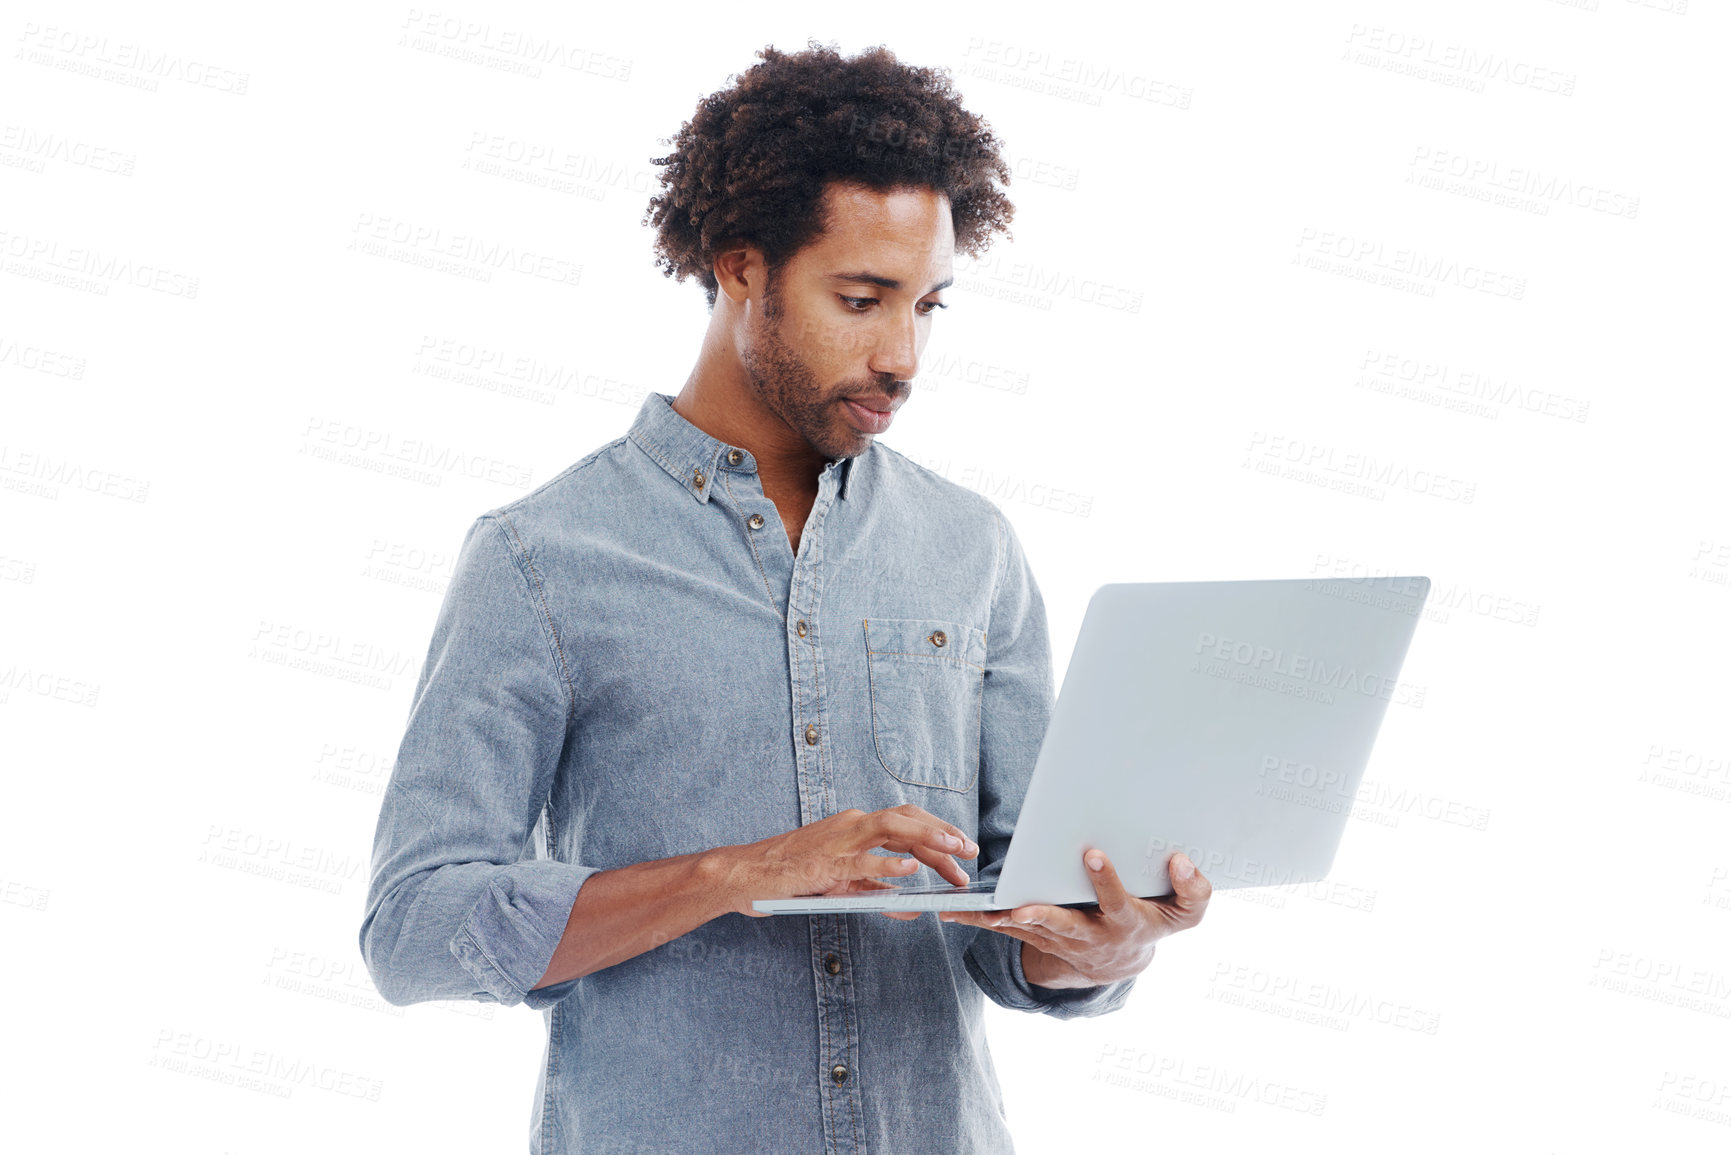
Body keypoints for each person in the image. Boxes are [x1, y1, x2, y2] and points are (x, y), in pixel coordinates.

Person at [358, 39, 1211, 1154]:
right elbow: (413, 930)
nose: (903, 356)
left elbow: (1015, 920)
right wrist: (741, 874)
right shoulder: (540, 557)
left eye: (929, 307)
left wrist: (1102, 948)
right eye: (861, 299)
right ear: (741, 267)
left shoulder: (973, 548)